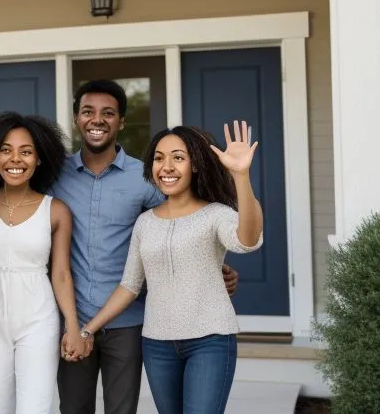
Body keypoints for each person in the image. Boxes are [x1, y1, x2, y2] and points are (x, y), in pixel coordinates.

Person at [50, 80, 239, 414]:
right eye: (88, 112)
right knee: (73, 408)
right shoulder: (54, 177)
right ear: (76, 118)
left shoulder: (147, 177)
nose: (97, 120)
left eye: (108, 113)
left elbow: (184, 221)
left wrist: (213, 266)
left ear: (121, 122)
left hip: (129, 322)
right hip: (72, 317)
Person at [80, 121, 264, 413]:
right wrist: (88, 330)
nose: (166, 166)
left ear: (195, 165)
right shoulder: (145, 222)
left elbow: (248, 239)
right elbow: (129, 285)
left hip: (210, 340)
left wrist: (240, 175)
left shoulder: (216, 214)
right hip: (157, 344)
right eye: (159, 158)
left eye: (178, 157)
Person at [0, 111, 85, 414]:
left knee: (36, 407)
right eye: (6, 150)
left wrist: (72, 325)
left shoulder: (56, 210)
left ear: (39, 159)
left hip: (37, 316)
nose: (15, 159)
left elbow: (60, 273)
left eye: (26, 151)